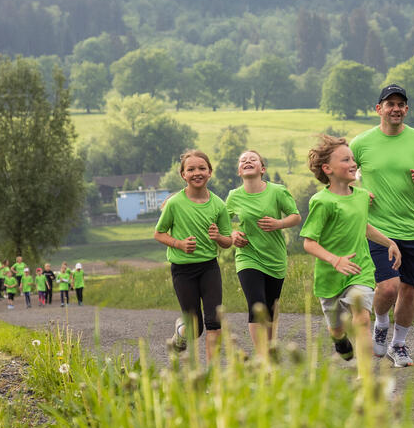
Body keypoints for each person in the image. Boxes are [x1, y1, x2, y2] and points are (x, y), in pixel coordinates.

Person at [349, 84, 414, 367]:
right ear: (379, 109)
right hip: (377, 228)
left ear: (407, 110)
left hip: (412, 228)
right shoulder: (360, 143)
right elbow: (344, 178)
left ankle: (398, 345)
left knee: (410, 289)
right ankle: (381, 323)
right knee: (388, 288)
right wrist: (358, 193)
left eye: (401, 104)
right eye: (390, 104)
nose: (396, 108)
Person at [301, 136, 401, 361]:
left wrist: (390, 243)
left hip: (360, 269)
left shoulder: (362, 197)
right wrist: (335, 260)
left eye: (353, 159)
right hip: (330, 276)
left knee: (363, 319)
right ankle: (340, 341)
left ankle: (364, 377)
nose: (353, 164)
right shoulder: (322, 201)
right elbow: (309, 242)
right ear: (328, 169)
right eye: (346, 160)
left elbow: (363, 226)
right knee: (336, 329)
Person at [153, 149, 232, 363]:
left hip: (209, 267)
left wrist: (218, 238)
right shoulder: (175, 203)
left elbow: (228, 241)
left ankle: (213, 373)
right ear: (183, 175)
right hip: (183, 270)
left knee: (214, 321)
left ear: (210, 172)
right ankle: (181, 332)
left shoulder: (218, 204)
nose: (197, 172)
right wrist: (178, 244)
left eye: (202, 168)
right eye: (191, 169)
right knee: (195, 328)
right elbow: (158, 234)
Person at [225, 150, 301, 359]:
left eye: (253, 159)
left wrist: (279, 223)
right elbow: (221, 223)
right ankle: (262, 357)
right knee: (256, 305)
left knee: (269, 309)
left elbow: (295, 216)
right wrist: (232, 234)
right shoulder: (234, 196)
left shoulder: (277, 191)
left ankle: (269, 350)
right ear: (239, 171)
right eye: (243, 160)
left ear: (262, 169)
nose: (248, 161)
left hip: (275, 258)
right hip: (247, 256)